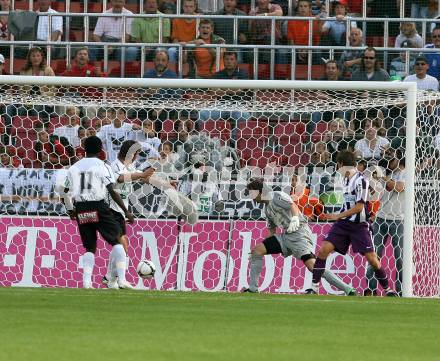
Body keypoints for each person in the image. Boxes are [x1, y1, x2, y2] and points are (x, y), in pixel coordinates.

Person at [243, 177, 357, 295]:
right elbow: (272, 231)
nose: (251, 197)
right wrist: (262, 250)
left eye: (252, 193)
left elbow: (293, 206)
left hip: (299, 233)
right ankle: (252, 289)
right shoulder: (267, 209)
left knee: (313, 266)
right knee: (257, 251)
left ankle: (348, 289)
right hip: (286, 236)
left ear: (260, 192)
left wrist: (295, 218)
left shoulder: (276, 196)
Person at [309, 150, 397, 296]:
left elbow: (359, 207)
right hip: (343, 224)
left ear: (341, 164)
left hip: (359, 225)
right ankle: (314, 288)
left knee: (373, 260)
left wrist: (337, 215)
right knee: (323, 251)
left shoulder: (360, 180)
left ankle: (388, 289)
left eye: (337, 165)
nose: (337, 168)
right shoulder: (345, 179)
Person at [59, 135, 135, 289]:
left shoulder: (73, 167)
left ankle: (87, 283)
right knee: (117, 240)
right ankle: (121, 280)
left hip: (81, 208)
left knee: (90, 248)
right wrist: (126, 211)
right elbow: (111, 190)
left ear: (84, 149)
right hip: (99, 206)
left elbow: (63, 191)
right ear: (101, 150)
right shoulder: (103, 166)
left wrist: (70, 210)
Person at [102, 140, 155, 287]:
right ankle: (120, 279)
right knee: (122, 244)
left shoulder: (130, 166)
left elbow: (142, 178)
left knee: (119, 245)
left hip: (121, 210)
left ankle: (109, 278)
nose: (137, 157)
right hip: (112, 208)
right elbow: (119, 178)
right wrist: (141, 174)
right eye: (137, 153)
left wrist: (167, 182)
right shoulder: (114, 166)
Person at [365, 148, 405, 296]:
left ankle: (401, 291)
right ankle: (371, 289)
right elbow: (375, 193)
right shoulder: (387, 173)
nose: (387, 159)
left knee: (400, 259)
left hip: (399, 220)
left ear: (399, 157)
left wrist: (383, 177)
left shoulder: (406, 173)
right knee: (374, 256)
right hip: (381, 219)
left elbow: (399, 188)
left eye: (391, 156)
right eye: (385, 156)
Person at [286, 0, 320, 64]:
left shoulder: (315, 21)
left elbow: (316, 41)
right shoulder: (291, 21)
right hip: (296, 48)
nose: (302, 8)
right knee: (290, 52)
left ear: (309, 8)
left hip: (310, 48)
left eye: (305, 6)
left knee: (317, 51)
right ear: (298, 8)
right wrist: (298, 50)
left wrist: (307, 49)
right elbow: (291, 41)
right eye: (300, 6)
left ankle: (316, 73)